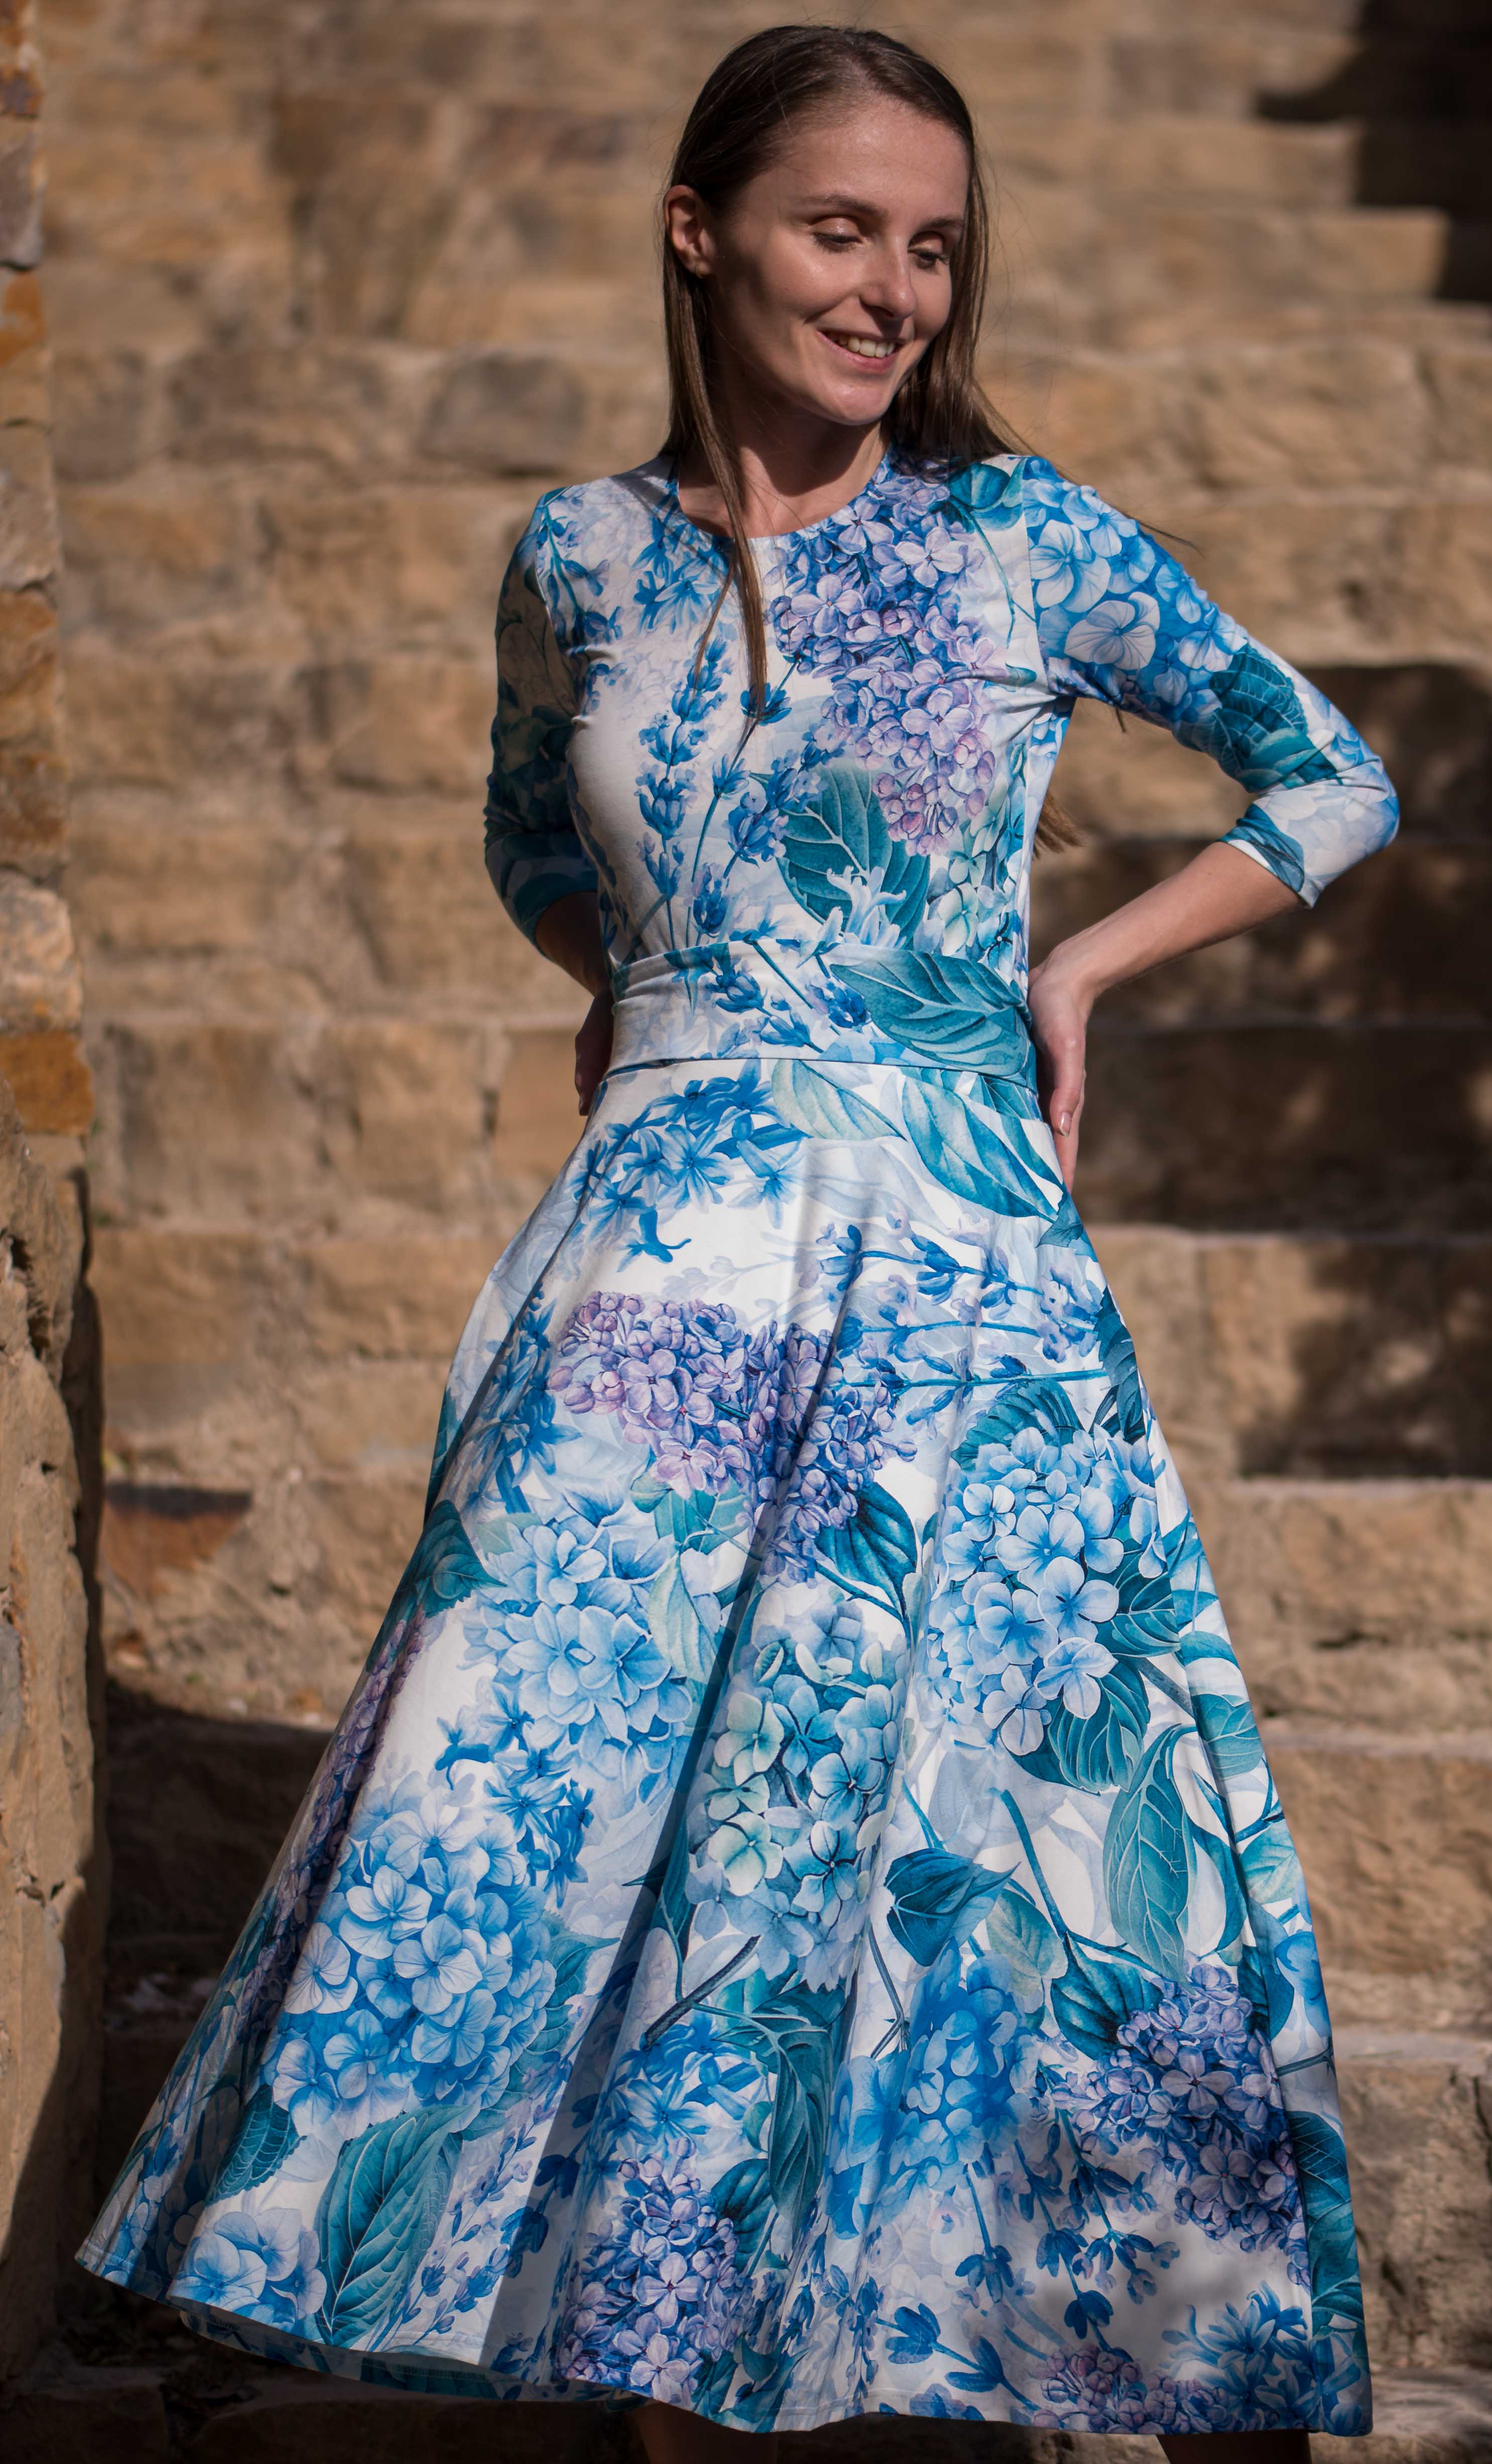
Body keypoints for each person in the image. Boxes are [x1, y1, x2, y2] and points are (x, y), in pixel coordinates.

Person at [78, 23, 1397, 2457]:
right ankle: (652, 2375)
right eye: (841, 229)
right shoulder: (578, 556)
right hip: (662, 1259)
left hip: (952, 1263)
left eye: (935, 247)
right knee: (553, 1771)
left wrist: (1077, 972)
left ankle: (958, 2348)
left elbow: (1332, 775)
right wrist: (641, 989)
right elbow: (525, 834)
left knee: (937, 1821)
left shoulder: (1025, 541)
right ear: (701, 232)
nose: (895, 289)